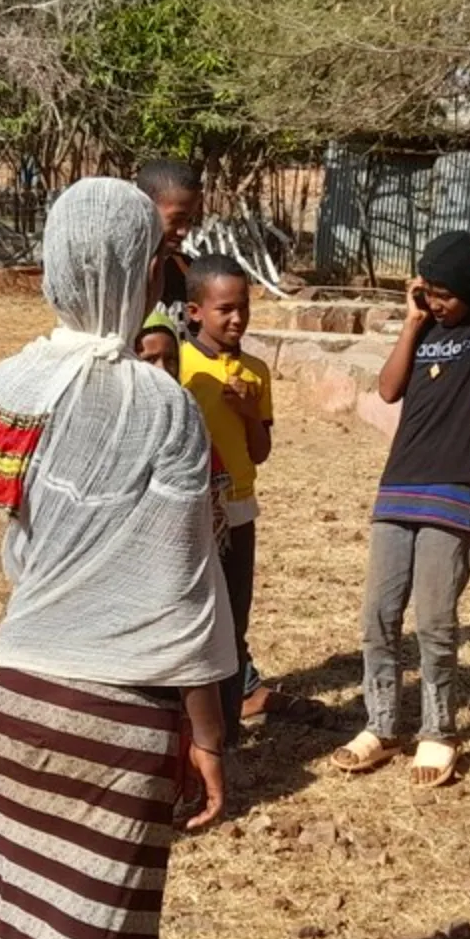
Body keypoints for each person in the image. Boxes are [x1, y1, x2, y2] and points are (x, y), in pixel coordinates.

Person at [0, 177, 237, 939]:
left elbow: (17, 531)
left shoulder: (13, 385)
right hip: (120, 722)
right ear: (140, 271)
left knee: (5, 929)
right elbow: (183, 585)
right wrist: (210, 734)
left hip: (15, 699)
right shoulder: (163, 407)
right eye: (159, 256)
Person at [331, 230, 470, 789]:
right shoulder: (424, 330)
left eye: (446, 293)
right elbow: (389, 390)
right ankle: (381, 725)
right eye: (430, 291)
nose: (437, 302)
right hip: (398, 490)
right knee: (378, 616)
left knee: (436, 623)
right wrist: (414, 321)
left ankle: (439, 731)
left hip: (453, 494)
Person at [176, 255, 280, 739]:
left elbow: (260, 452)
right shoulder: (178, 364)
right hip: (189, 509)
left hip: (238, 509)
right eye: (224, 310)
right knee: (188, 614)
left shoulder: (255, 372)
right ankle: (186, 726)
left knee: (233, 618)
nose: (237, 318)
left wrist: (245, 411)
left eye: (244, 307)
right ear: (195, 311)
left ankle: (228, 730)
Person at [136, 159, 204, 336]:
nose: (184, 231)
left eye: (190, 220)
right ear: (144, 210)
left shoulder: (189, 274)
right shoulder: (117, 278)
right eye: (176, 220)